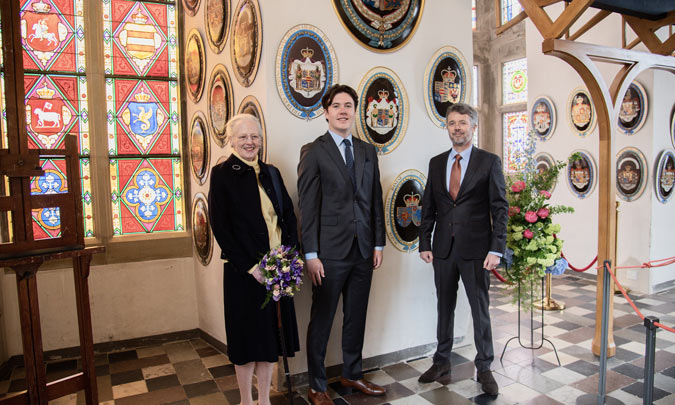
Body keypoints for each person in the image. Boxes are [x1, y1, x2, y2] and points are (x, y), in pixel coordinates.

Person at [297, 84, 386, 405]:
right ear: (326, 112)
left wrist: (379, 243)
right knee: (321, 320)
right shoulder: (314, 151)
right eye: (337, 106)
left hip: (363, 250)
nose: (344, 110)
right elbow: (306, 207)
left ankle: (352, 374)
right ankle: (317, 386)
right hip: (328, 254)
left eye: (349, 105)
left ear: (355, 110)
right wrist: (311, 254)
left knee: (356, 316)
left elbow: (375, 199)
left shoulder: (366, 151)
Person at [208, 114, 300, 405]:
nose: (250, 142)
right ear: (232, 140)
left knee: (270, 337)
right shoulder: (222, 174)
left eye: (255, 136)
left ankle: (264, 400)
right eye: (244, 137)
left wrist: (289, 256)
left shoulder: (271, 172)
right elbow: (220, 226)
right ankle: (247, 400)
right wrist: (250, 267)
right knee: (247, 339)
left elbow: (287, 216)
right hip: (243, 273)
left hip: (276, 269)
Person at [418, 103, 508, 396]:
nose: (457, 127)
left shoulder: (489, 162)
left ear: (473, 127)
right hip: (443, 249)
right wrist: (425, 242)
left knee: (479, 310)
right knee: (444, 308)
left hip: (477, 251)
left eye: (462, 123)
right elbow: (428, 206)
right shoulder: (436, 162)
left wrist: (497, 249)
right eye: (452, 123)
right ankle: (441, 360)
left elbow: (500, 208)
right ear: (447, 127)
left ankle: (484, 368)